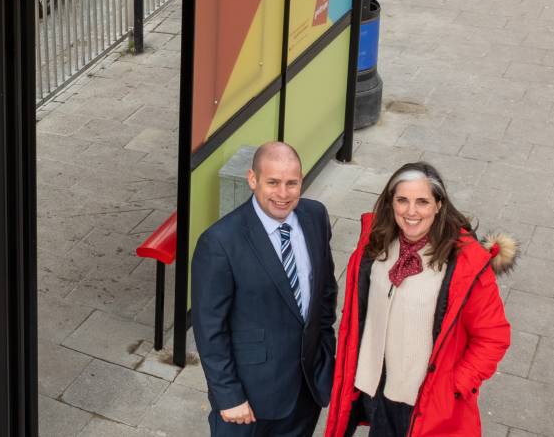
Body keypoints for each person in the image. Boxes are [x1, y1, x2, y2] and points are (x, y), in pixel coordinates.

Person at [324, 163, 517, 437]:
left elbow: (493, 337)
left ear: (439, 204)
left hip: (425, 401)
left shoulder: (466, 263)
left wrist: (455, 385)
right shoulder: (375, 241)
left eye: (422, 202)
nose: (411, 212)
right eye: (402, 200)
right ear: (391, 203)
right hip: (375, 389)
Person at [193, 142, 336, 436]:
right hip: (248, 401)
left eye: (291, 183)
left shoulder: (316, 216)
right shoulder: (220, 242)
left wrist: (325, 355)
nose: (283, 194)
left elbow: (325, 292)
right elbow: (209, 330)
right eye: (272, 182)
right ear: (252, 179)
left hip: (305, 392)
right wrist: (229, 396)